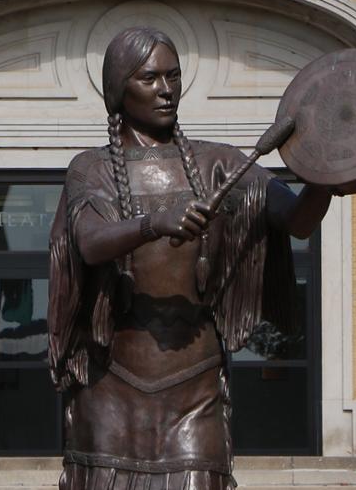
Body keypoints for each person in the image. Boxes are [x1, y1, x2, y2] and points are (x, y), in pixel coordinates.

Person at [48, 27, 332, 490]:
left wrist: (330, 166)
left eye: (174, 76)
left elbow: (298, 220)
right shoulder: (91, 168)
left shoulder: (218, 163)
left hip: (194, 387)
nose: (166, 90)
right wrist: (154, 223)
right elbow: (91, 242)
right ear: (120, 89)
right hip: (110, 384)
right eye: (149, 78)